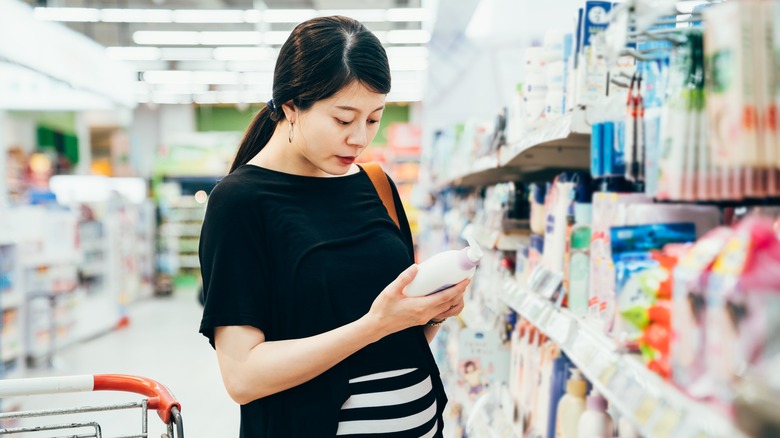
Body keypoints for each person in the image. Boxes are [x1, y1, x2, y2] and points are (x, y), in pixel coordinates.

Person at [198, 16, 469, 438]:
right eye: (344, 120)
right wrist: (375, 323)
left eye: (374, 119)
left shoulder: (376, 184)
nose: (360, 138)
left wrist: (427, 315)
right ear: (291, 106)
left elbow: (388, 343)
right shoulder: (241, 202)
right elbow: (243, 378)